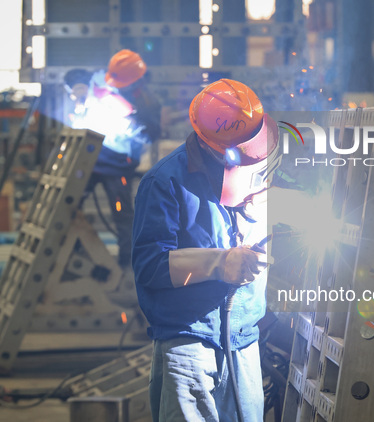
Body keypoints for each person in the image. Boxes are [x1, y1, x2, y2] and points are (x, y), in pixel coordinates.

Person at [132, 79, 281, 421]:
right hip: (188, 340)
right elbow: (150, 266)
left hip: (244, 336)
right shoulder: (165, 182)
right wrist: (220, 263)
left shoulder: (259, 166)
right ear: (209, 141)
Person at [63, 49, 161, 268]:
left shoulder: (147, 102)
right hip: (89, 158)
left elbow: (152, 133)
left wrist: (134, 127)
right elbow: (73, 75)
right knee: (69, 205)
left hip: (118, 166)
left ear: (135, 82)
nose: (115, 85)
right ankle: (69, 256)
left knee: (122, 214)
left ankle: (127, 265)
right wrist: (78, 88)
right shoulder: (101, 85)